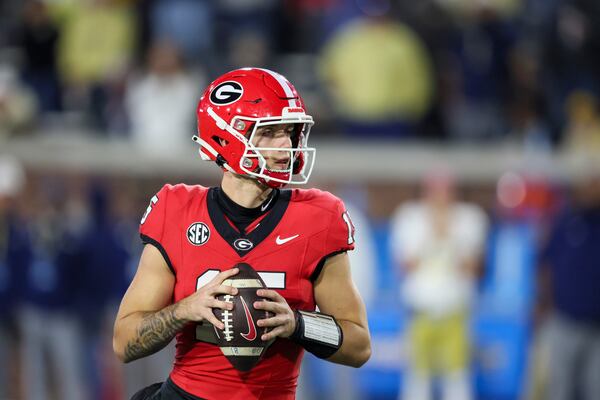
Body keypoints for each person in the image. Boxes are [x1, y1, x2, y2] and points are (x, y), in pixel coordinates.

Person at [113, 67, 371, 399]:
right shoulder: (177, 209)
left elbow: (359, 345)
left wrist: (297, 324)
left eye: (290, 131)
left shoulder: (318, 218)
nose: (285, 145)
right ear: (225, 137)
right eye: (269, 132)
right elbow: (124, 342)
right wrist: (184, 309)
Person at [390, 170, 488, 400]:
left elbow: (474, 268)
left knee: (457, 382)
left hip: (455, 311)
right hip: (420, 311)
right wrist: (431, 234)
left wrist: (451, 237)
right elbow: (405, 265)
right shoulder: (409, 217)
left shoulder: (470, 218)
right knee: (417, 381)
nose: (440, 197)